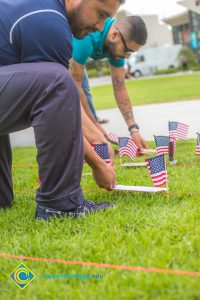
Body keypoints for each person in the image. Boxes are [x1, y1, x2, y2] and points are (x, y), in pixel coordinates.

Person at [0, 0, 125, 220]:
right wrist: (97, 164)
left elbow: (62, 104)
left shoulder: (42, 8)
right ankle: (60, 205)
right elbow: (57, 93)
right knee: (57, 81)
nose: (100, 26)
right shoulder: (49, 21)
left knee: (2, 200)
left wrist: (96, 135)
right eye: (101, 14)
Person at [70, 16, 148, 154]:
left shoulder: (117, 46)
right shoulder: (87, 37)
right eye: (127, 51)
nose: (127, 57)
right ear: (114, 35)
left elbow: (119, 86)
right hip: (55, 54)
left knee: (85, 91)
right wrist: (95, 128)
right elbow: (74, 86)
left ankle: (94, 136)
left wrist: (133, 128)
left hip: (77, 60)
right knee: (74, 92)